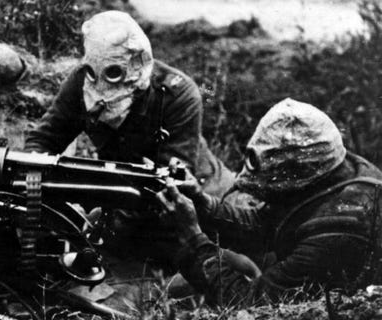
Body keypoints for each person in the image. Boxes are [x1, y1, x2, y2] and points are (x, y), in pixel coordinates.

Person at [156, 98, 382, 305]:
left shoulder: (340, 230)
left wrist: (193, 240)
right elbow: (263, 225)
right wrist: (203, 205)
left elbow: (249, 303)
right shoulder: (330, 170)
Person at [24, 10, 234, 197]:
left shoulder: (178, 95)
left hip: (199, 191)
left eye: (114, 72)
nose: (102, 86)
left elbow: (174, 185)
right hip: (123, 186)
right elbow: (45, 139)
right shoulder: (81, 81)